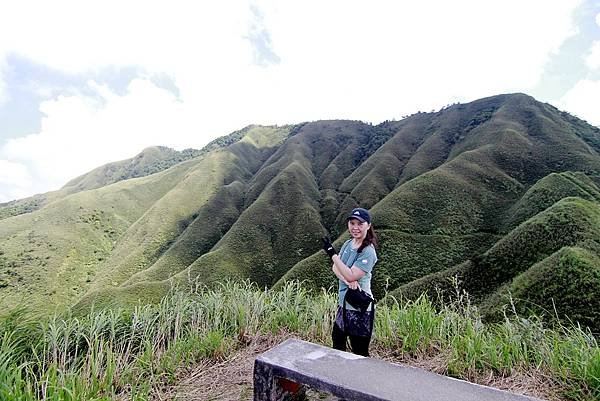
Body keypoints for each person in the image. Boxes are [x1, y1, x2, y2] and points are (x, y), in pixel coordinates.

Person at [322, 207, 378, 357]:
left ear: (368, 225)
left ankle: (361, 380)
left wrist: (332, 254)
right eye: (352, 223)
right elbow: (336, 268)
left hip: (360, 309)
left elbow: (351, 274)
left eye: (360, 224)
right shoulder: (348, 243)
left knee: (359, 353)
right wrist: (347, 280)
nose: (355, 227)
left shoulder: (368, 251)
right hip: (343, 306)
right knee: (337, 344)